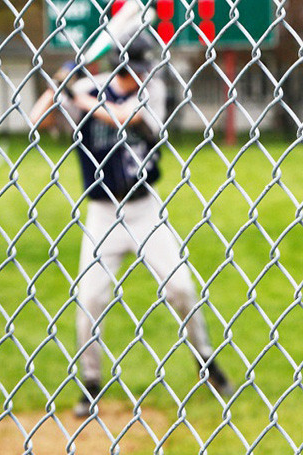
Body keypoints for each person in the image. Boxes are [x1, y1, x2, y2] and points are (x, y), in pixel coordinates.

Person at [29, 34, 233, 417]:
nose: (139, 77)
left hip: (144, 211)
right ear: (119, 68)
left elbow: (125, 118)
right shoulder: (86, 86)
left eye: (141, 70)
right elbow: (37, 119)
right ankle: (90, 383)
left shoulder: (152, 89)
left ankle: (204, 358)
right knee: (89, 300)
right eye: (132, 72)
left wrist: (78, 96)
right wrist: (58, 82)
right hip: (102, 214)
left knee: (181, 287)